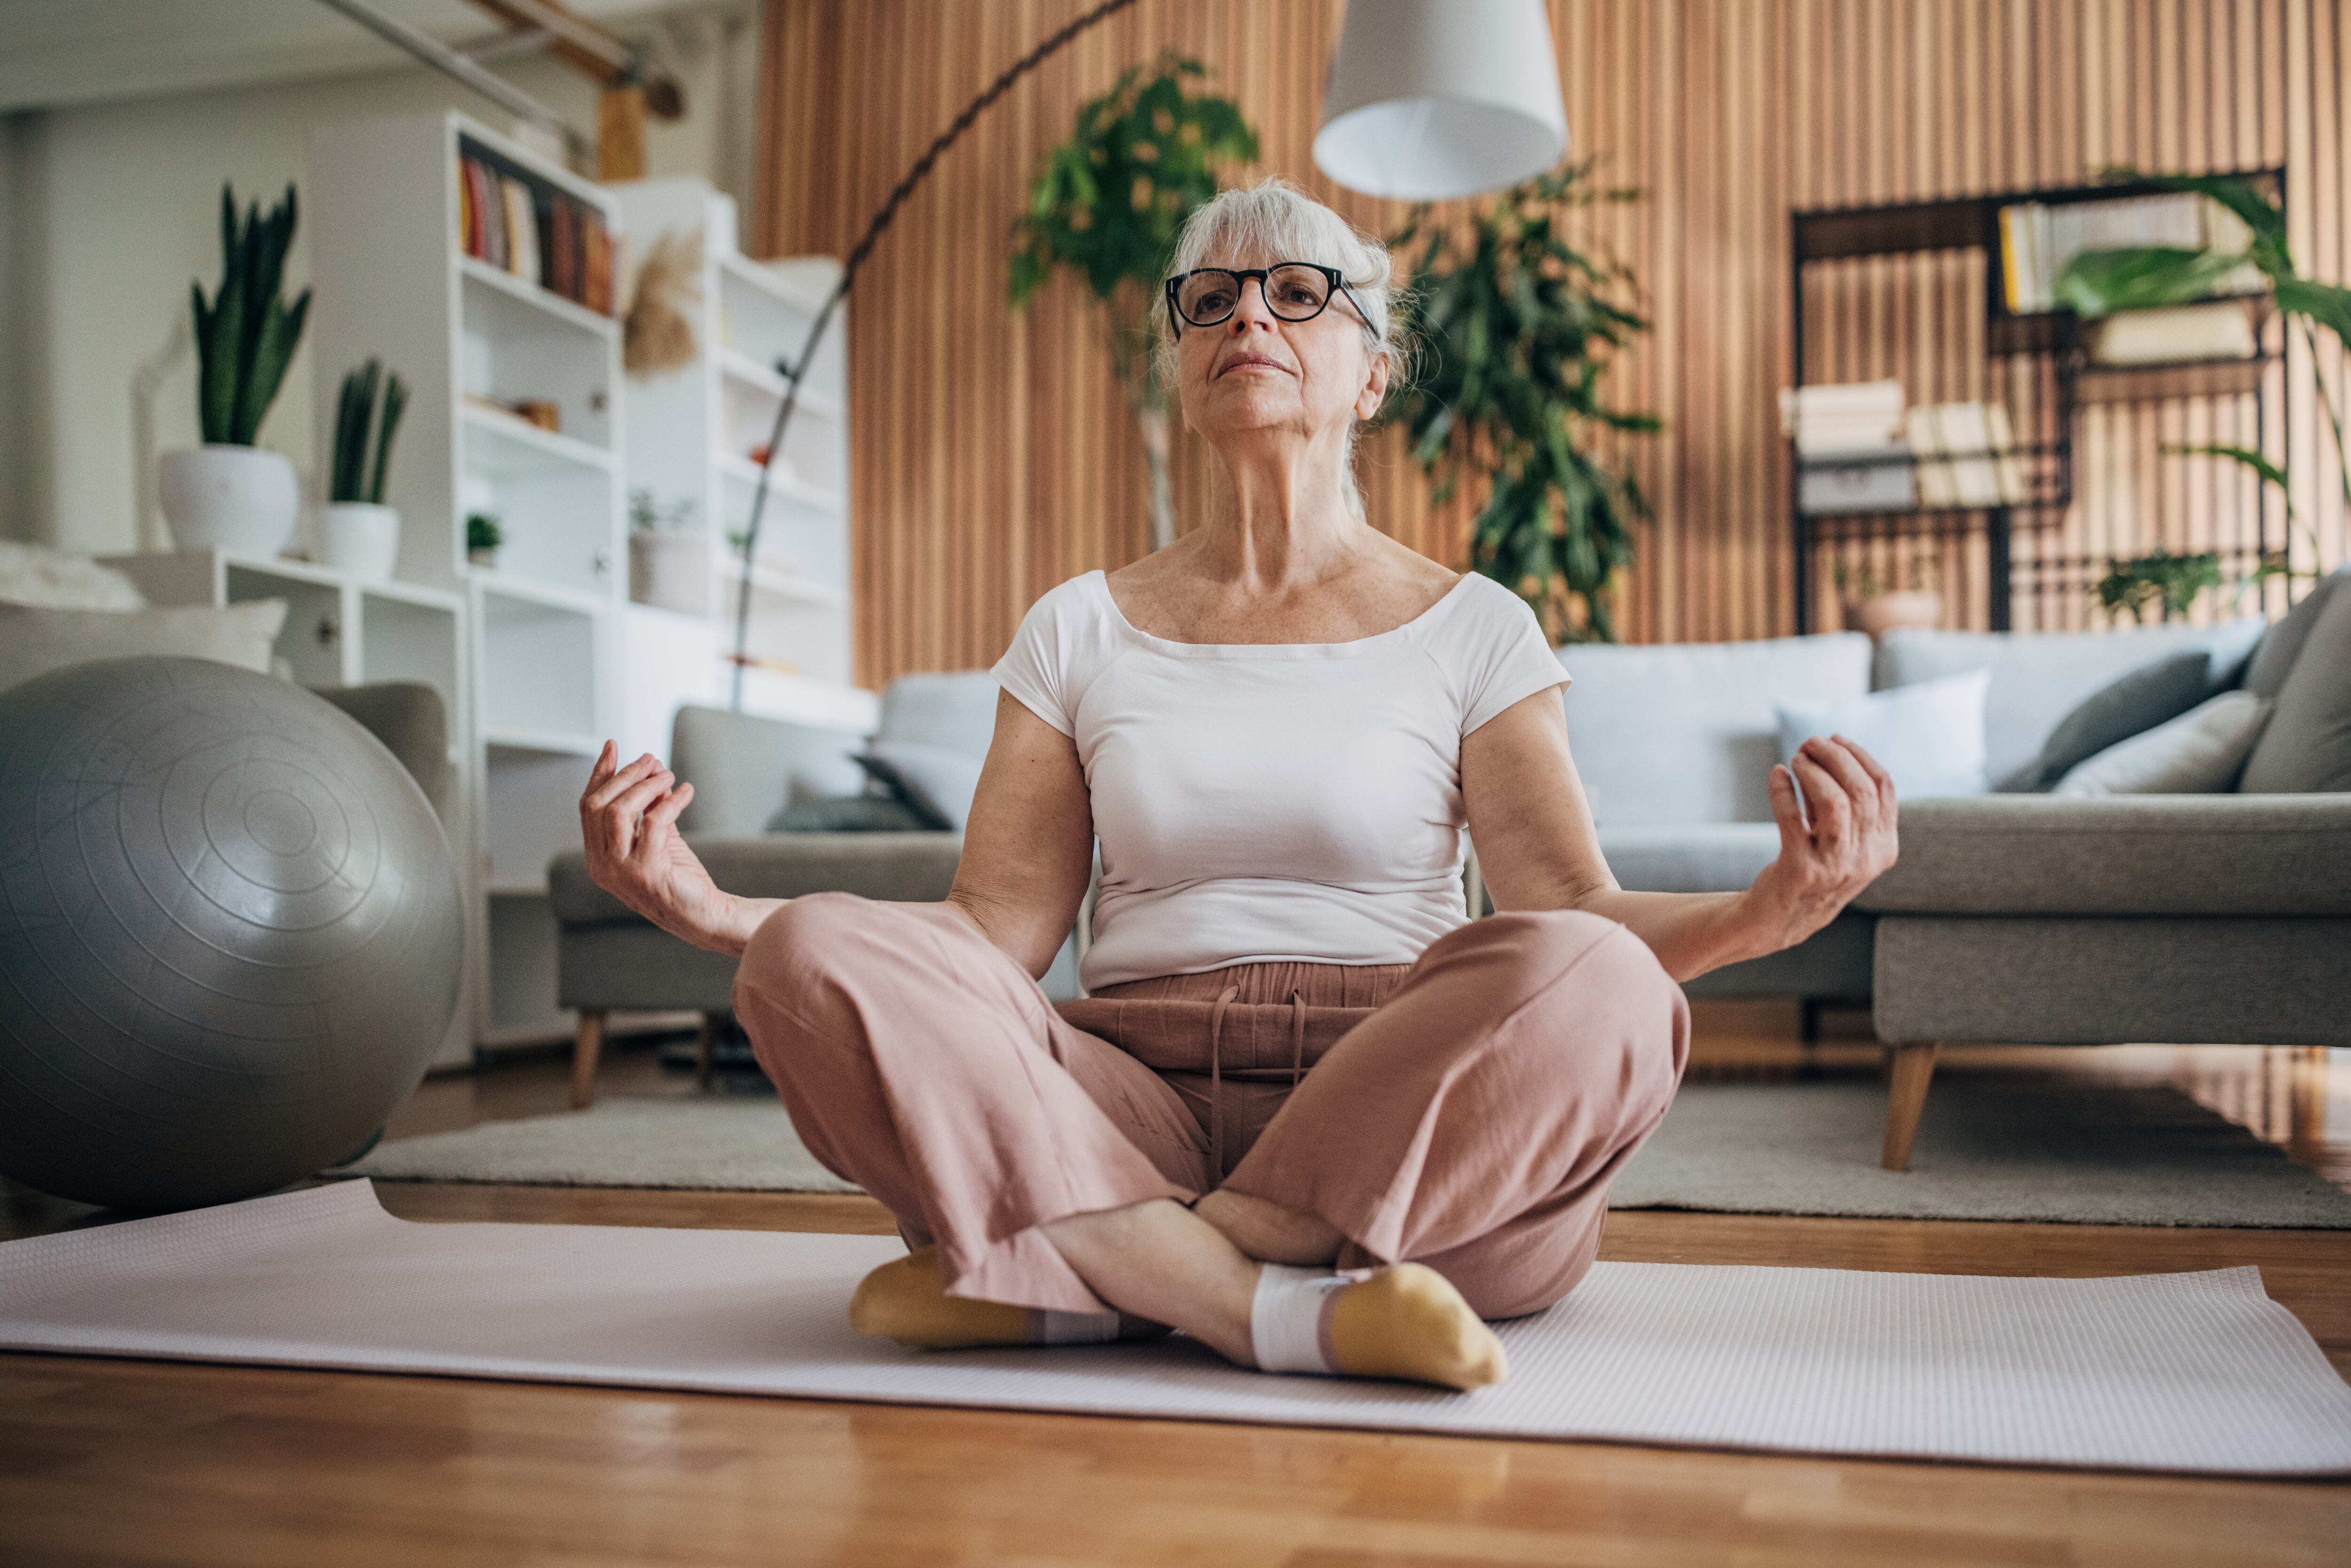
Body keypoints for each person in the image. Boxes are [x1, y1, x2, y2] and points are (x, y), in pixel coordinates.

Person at [578, 178, 1898, 1392]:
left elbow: (1571, 913)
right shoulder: (1077, 628)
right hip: (1123, 1098)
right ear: (1181, 367)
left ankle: (1090, 1272)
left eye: (1297, 291)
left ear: (1374, 372)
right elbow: (990, 935)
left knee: (1605, 985)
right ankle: (1271, 1302)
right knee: (808, 957)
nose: (1248, 315)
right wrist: (723, 915)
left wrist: (1763, 916)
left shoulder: (1477, 626)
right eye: (1210, 299)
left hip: (1400, 1093)